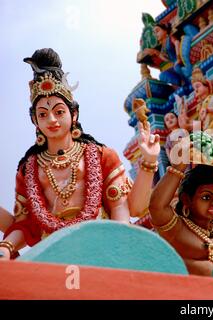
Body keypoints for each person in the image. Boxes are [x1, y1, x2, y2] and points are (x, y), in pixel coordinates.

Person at [0, 48, 160, 260]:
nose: (52, 120)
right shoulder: (29, 168)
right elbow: (26, 224)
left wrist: (148, 162)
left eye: (59, 112)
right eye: (42, 114)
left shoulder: (101, 155)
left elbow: (129, 208)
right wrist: (7, 245)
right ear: (35, 121)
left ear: (73, 114)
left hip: (102, 248)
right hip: (54, 253)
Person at [148, 138, 213, 276]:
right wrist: (177, 168)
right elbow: (157, 207)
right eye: (206, 197)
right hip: (192, 293)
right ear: (186, 199)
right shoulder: (176, 229)